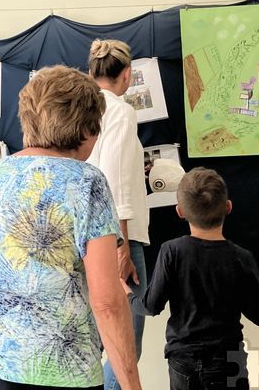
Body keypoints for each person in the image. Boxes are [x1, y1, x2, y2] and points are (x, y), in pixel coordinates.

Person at [0, 65, 141, 390]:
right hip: (52, 364)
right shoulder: (86, 181)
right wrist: (132, 386)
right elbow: (108, 304)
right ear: (86, 129)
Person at [121, 167, 259, 390]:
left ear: (180, 211)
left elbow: (151, 307)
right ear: (228, 207)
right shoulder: (241, 258)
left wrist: (126, 293)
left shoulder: (172, 251)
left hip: (183, 359)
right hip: (229, 359)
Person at [86, 38, 149, 390]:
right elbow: (115, 181)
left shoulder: (83, 108)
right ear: (127, 75)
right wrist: (122, 244)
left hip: (88, 238)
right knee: (126, 345)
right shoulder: (121, 111)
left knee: (94, 341)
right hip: (119, 238)